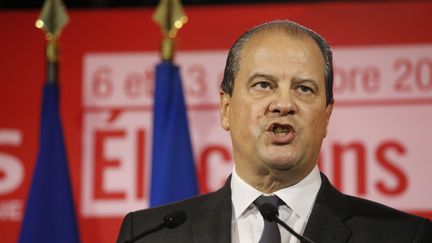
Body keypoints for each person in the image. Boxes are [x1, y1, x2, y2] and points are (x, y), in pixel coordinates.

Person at [117, 20, 432, 243]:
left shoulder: (402, 236)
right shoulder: (150, 235)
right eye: (263, 85)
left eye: (304, 89)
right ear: (225, 109)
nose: (284, 103)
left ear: (327, 116)